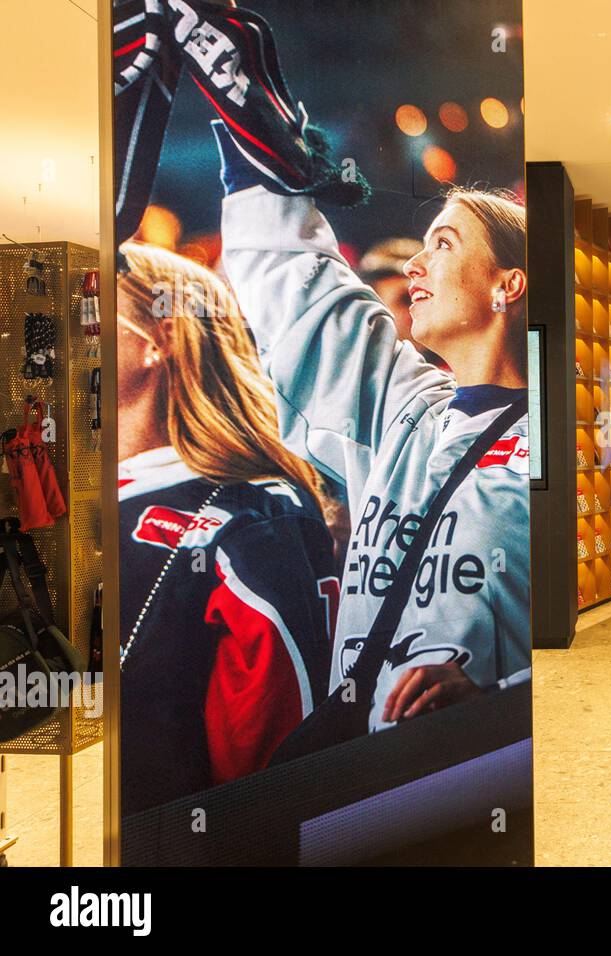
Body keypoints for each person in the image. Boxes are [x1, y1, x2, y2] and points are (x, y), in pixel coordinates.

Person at [211, 127, 532, 735]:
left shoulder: (571, 441)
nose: (415, 263)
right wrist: (251, 154)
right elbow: (311, 304)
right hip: (372, 776)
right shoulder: (408, 409)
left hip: (488, 776)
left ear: (506, 285)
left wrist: (502, 695)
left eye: (442, 243)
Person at [115, 241, 338, 814]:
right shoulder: (44, 501)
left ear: (156, 341)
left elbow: (269, 780)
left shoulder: (252, 517)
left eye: (90, 308)